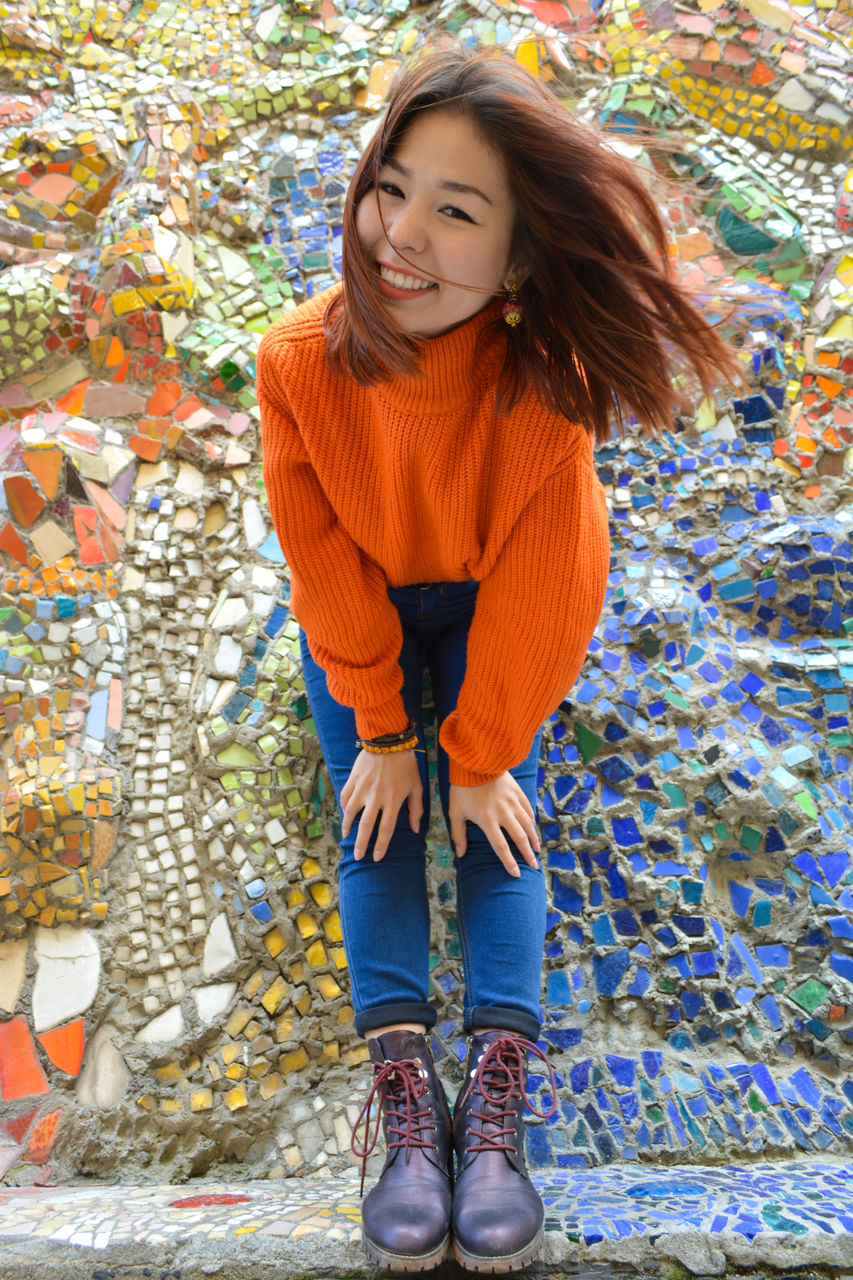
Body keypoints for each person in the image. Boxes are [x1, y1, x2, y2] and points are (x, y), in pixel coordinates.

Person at [257, 45, 738, 1274]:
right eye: (389, 187)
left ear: (519, 255)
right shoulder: (298, 362)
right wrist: (377, 729)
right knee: (376, 823)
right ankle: (409, 1106)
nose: (398, 235)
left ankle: (496, 1115)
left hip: (488, 610)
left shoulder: (546, 391)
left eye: (455, 211)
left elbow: (551, 585)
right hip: (362, 605)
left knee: (491, 822)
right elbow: (318, 557)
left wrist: (478, 754)